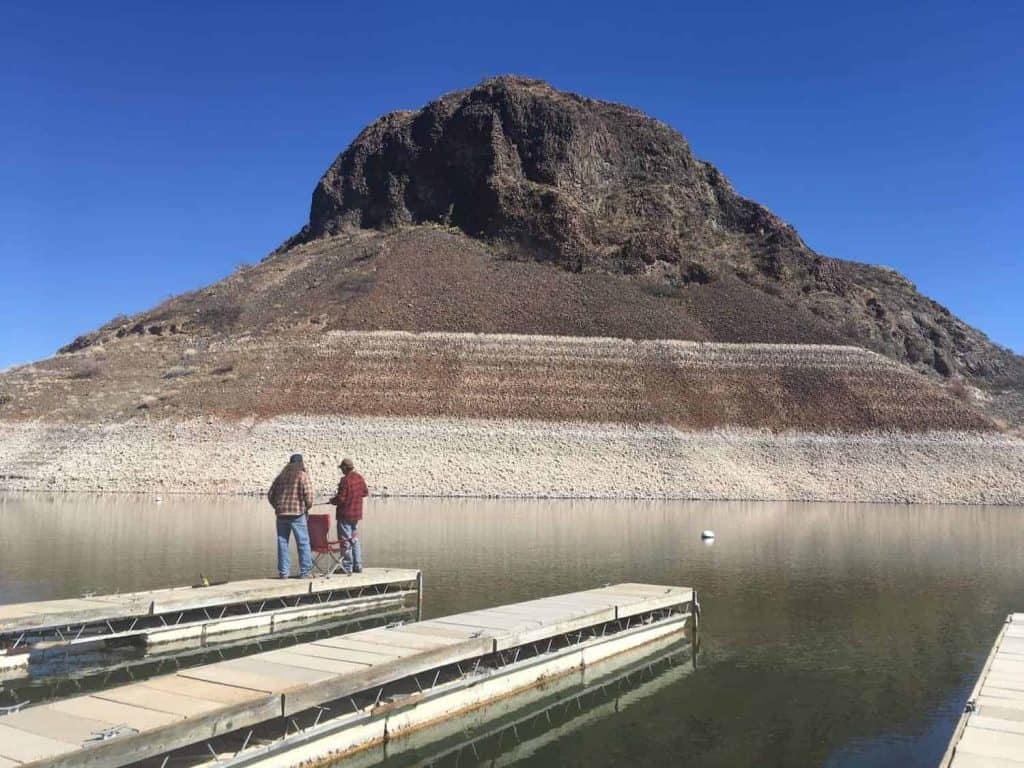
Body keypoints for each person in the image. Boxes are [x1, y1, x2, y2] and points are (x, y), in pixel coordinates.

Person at [267, 454, 314, 578]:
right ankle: (305, 572)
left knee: (282, 542)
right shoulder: (303, 476)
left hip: (281, 514)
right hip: (298, 514)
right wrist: (306, 508)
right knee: (303, 542)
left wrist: (277, 507)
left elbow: (270, 495)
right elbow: (309, 496)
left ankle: (283, 572)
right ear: (301, 463)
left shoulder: (280, 477)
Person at [329, 458, 369, 574]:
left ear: (346, 468)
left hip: (345, 515)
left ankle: (347, 566)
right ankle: (358, 565)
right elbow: (365, 492)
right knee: (354, 539)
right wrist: (355, 496)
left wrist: (332, 501)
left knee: (345, 540)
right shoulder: (359, 478)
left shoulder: (345, 480)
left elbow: (341, 499)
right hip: (356, 515)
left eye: (342, 468)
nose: (341, 470)